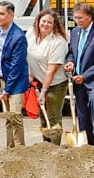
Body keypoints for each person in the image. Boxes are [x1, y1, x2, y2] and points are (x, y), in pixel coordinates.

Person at [64, 2, 94, 146]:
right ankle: (88, 141)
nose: (77, 21)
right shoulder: (75, 32)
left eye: (80, 18)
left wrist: (85, 76)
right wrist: (70, 62)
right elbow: (71, 52)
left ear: (89, 17)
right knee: (81, 109)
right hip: (77, 77)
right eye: (75, 18)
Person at [25, 8, 68, 145]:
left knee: (53, 117)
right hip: (39, 80)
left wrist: (43, 92)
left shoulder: (58, 42)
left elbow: (51, 70)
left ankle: (55, 148)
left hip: (55, 84)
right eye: (43, 21)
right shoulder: (31, 34)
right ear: (38, 21)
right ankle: (46, 146)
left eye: (50, 22)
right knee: (43, 117)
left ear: (54, 25)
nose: (45, 24)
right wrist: (30, 73)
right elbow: (27, 56)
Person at [0, 0, 29, 148]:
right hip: (3, 78)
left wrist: (7, 90)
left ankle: (19, 149)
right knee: (8, 116)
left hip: (16, 81)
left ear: (11, 15)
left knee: (15, 116)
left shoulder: (18, 37)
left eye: (2, 14)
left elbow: (16, 67)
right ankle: (9, 148)